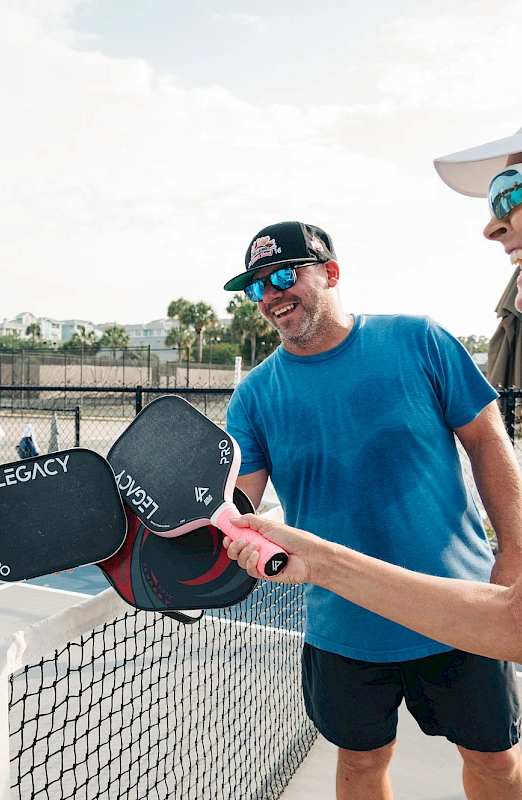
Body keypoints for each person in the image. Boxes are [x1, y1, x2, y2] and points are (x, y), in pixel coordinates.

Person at [221, 221, 522, 800]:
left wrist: (513, 554)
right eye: (257, 286)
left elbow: (489, 441)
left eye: (285, 274)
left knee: (496, 764)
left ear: (330, 273)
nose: (271, 295)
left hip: (459, 607)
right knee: (361, 765)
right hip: (343, 625)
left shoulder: (420, 340)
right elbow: (241, 500)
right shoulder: (255, 395)